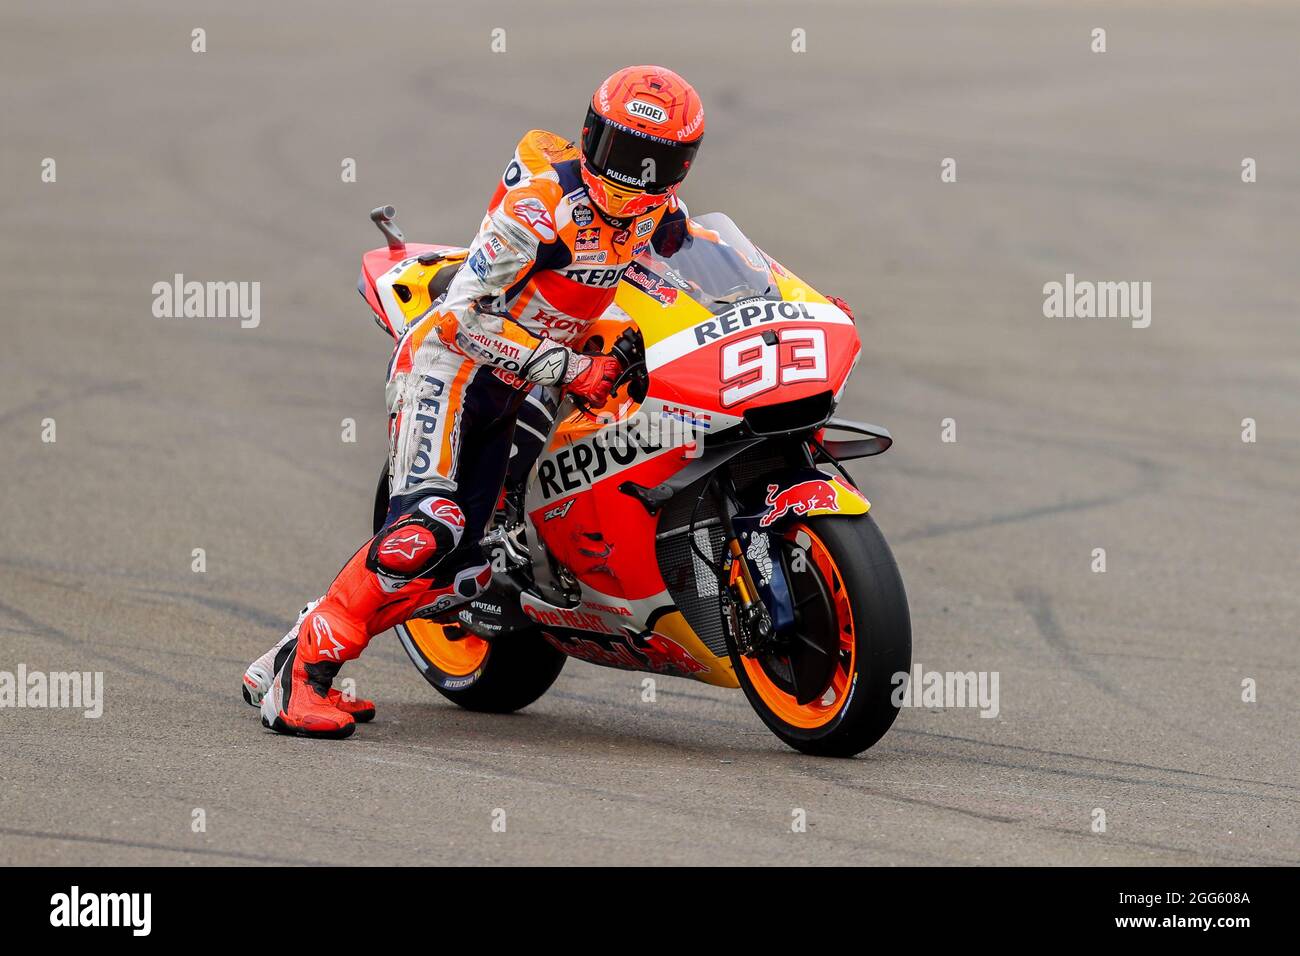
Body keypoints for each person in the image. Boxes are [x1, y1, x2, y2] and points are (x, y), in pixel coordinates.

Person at [242, 66, 706, 738]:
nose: (634, 177)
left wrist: (786, 301)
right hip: (452, 370)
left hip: (517, 384)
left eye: (655, 161)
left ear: (680, 164)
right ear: (589, 136)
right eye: (621, 153)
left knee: (464, 567)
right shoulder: (539, 205)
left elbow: (706, 257)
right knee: (423, 533)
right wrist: (572, 366)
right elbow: (465, 319)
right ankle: (300, 682)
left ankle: (280, 659)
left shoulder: (662, 214)